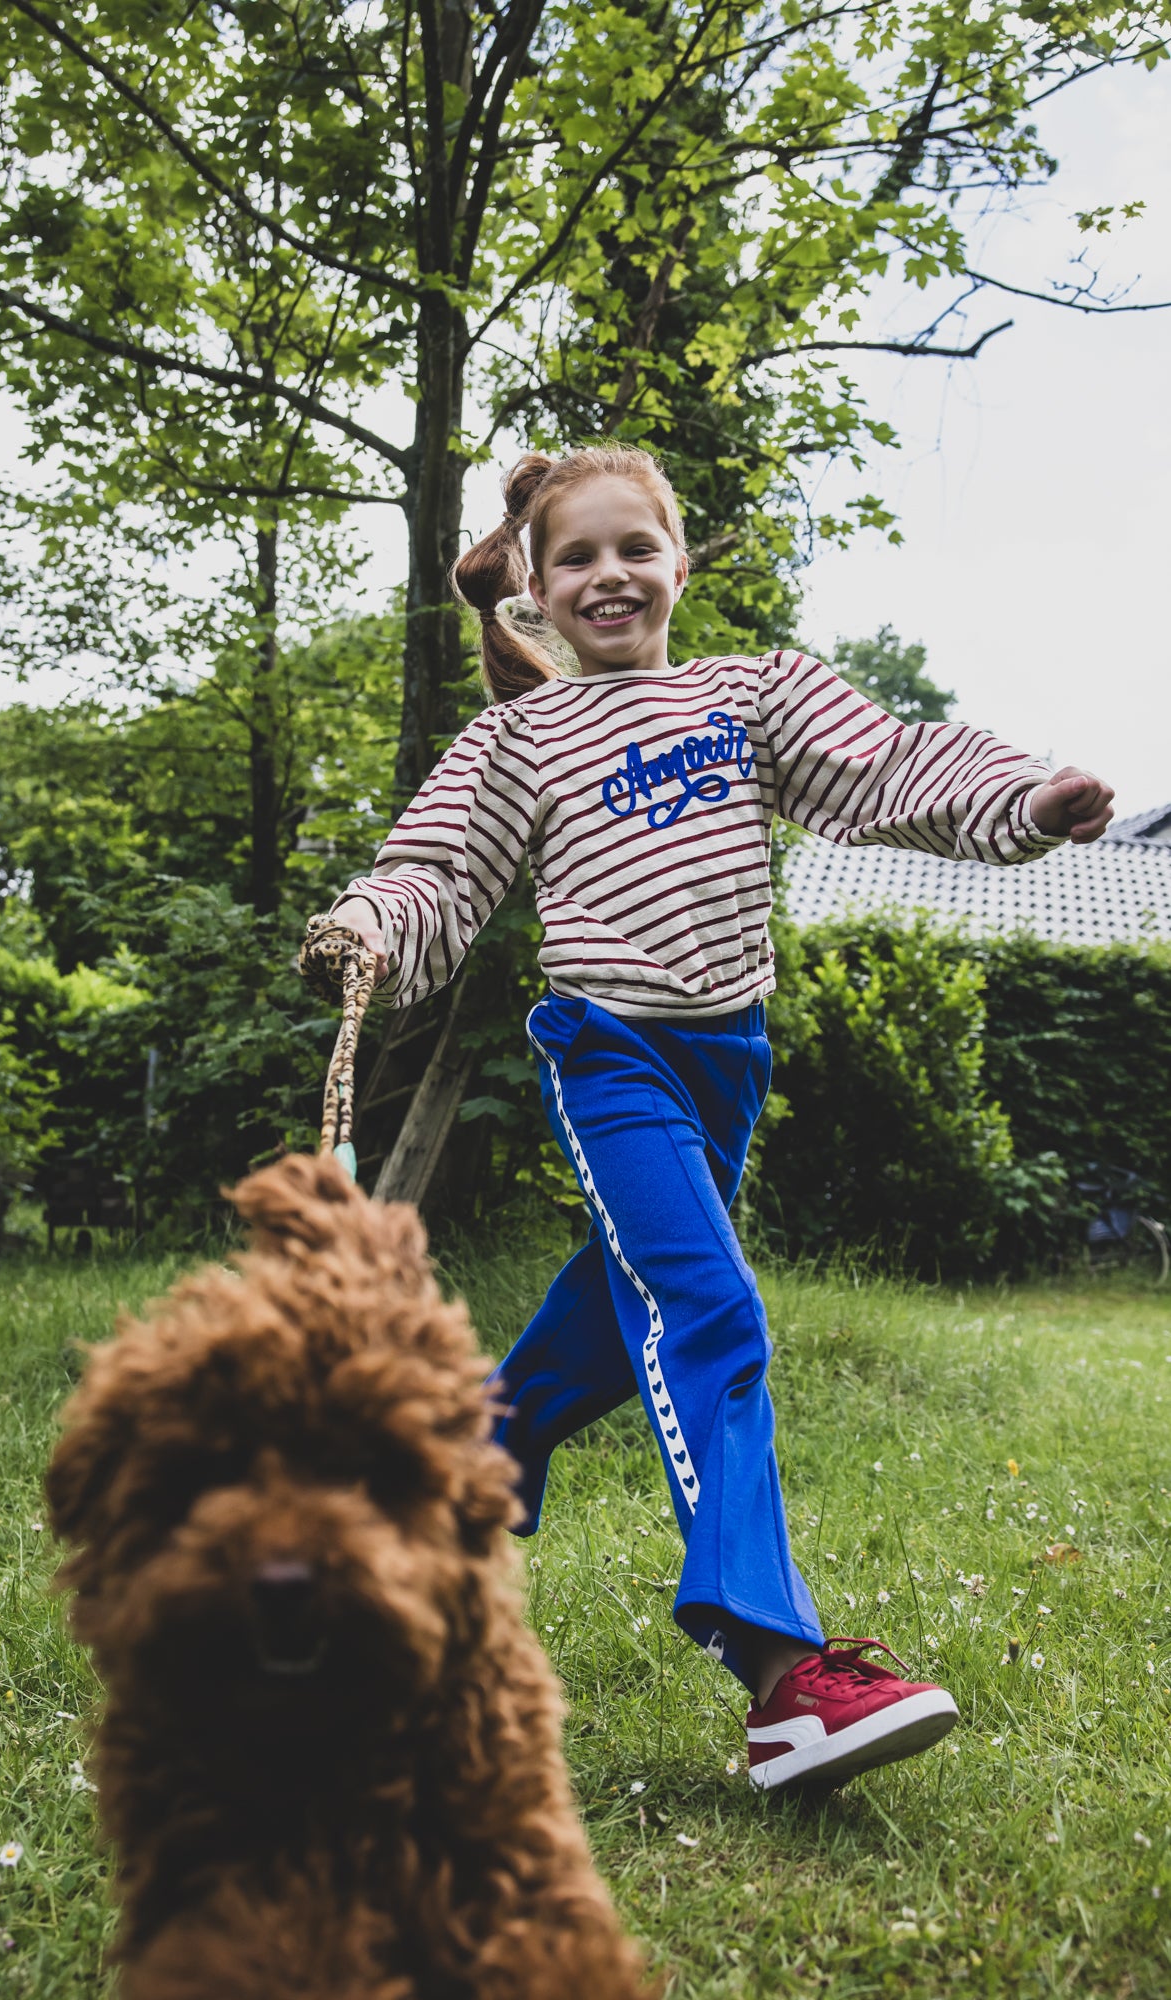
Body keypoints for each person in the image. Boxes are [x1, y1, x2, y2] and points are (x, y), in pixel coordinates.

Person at [322, 444, 1113, 1792]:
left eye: (635, 548)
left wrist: (1023, 803)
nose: (609, 574)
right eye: (576, 556)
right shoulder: (517, 739)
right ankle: (781, 1673)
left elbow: (890, 766)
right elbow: (437, 869)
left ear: (679, 566)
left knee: (615, 1304)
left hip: (727, 1061)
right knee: (708, 1308)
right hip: (610, 1056)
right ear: (534, 589)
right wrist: (370, 925)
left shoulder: (748, 697)